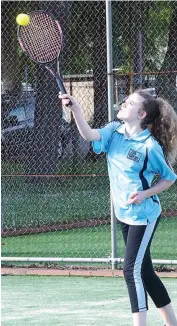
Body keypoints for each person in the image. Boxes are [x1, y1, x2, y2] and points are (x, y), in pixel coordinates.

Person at [59, 89, 177, 326]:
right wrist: (77, 110)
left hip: (144, 216)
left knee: (130, 270)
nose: (124, 103)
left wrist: (146, 193)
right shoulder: (114, 131)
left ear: (141, 114)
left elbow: (169, 177)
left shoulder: (149, 146)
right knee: (144, 271)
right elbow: (89, 134)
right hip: (123, 213)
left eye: (130, 102)